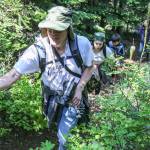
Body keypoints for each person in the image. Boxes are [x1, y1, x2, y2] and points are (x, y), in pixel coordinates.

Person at [0, 6, 94, 150]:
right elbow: (12, 75)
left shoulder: (82, 44)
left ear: (68, 28)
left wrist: (80, 88)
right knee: (56, 127)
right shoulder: (39, 50)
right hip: (51, 99)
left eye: (58, 30)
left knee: (64, 139)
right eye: (50, 30)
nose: (53, 34)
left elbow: (89, 67)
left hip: (73, 100)